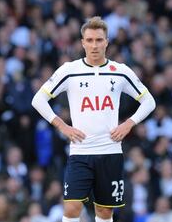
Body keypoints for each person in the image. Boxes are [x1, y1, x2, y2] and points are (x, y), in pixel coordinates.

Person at [32, 16, 156, 222]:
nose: (94, 45)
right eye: (89, 40)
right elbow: (38, 99)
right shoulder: (70, 70)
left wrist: (129, 123)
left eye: (99, 40)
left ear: (106, 41)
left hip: (110, 150)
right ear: (82, 43)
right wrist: (63, 126)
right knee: (71, 207)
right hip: (80, 151)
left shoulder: (120, 72)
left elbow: (149, 101)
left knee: (105, 212)